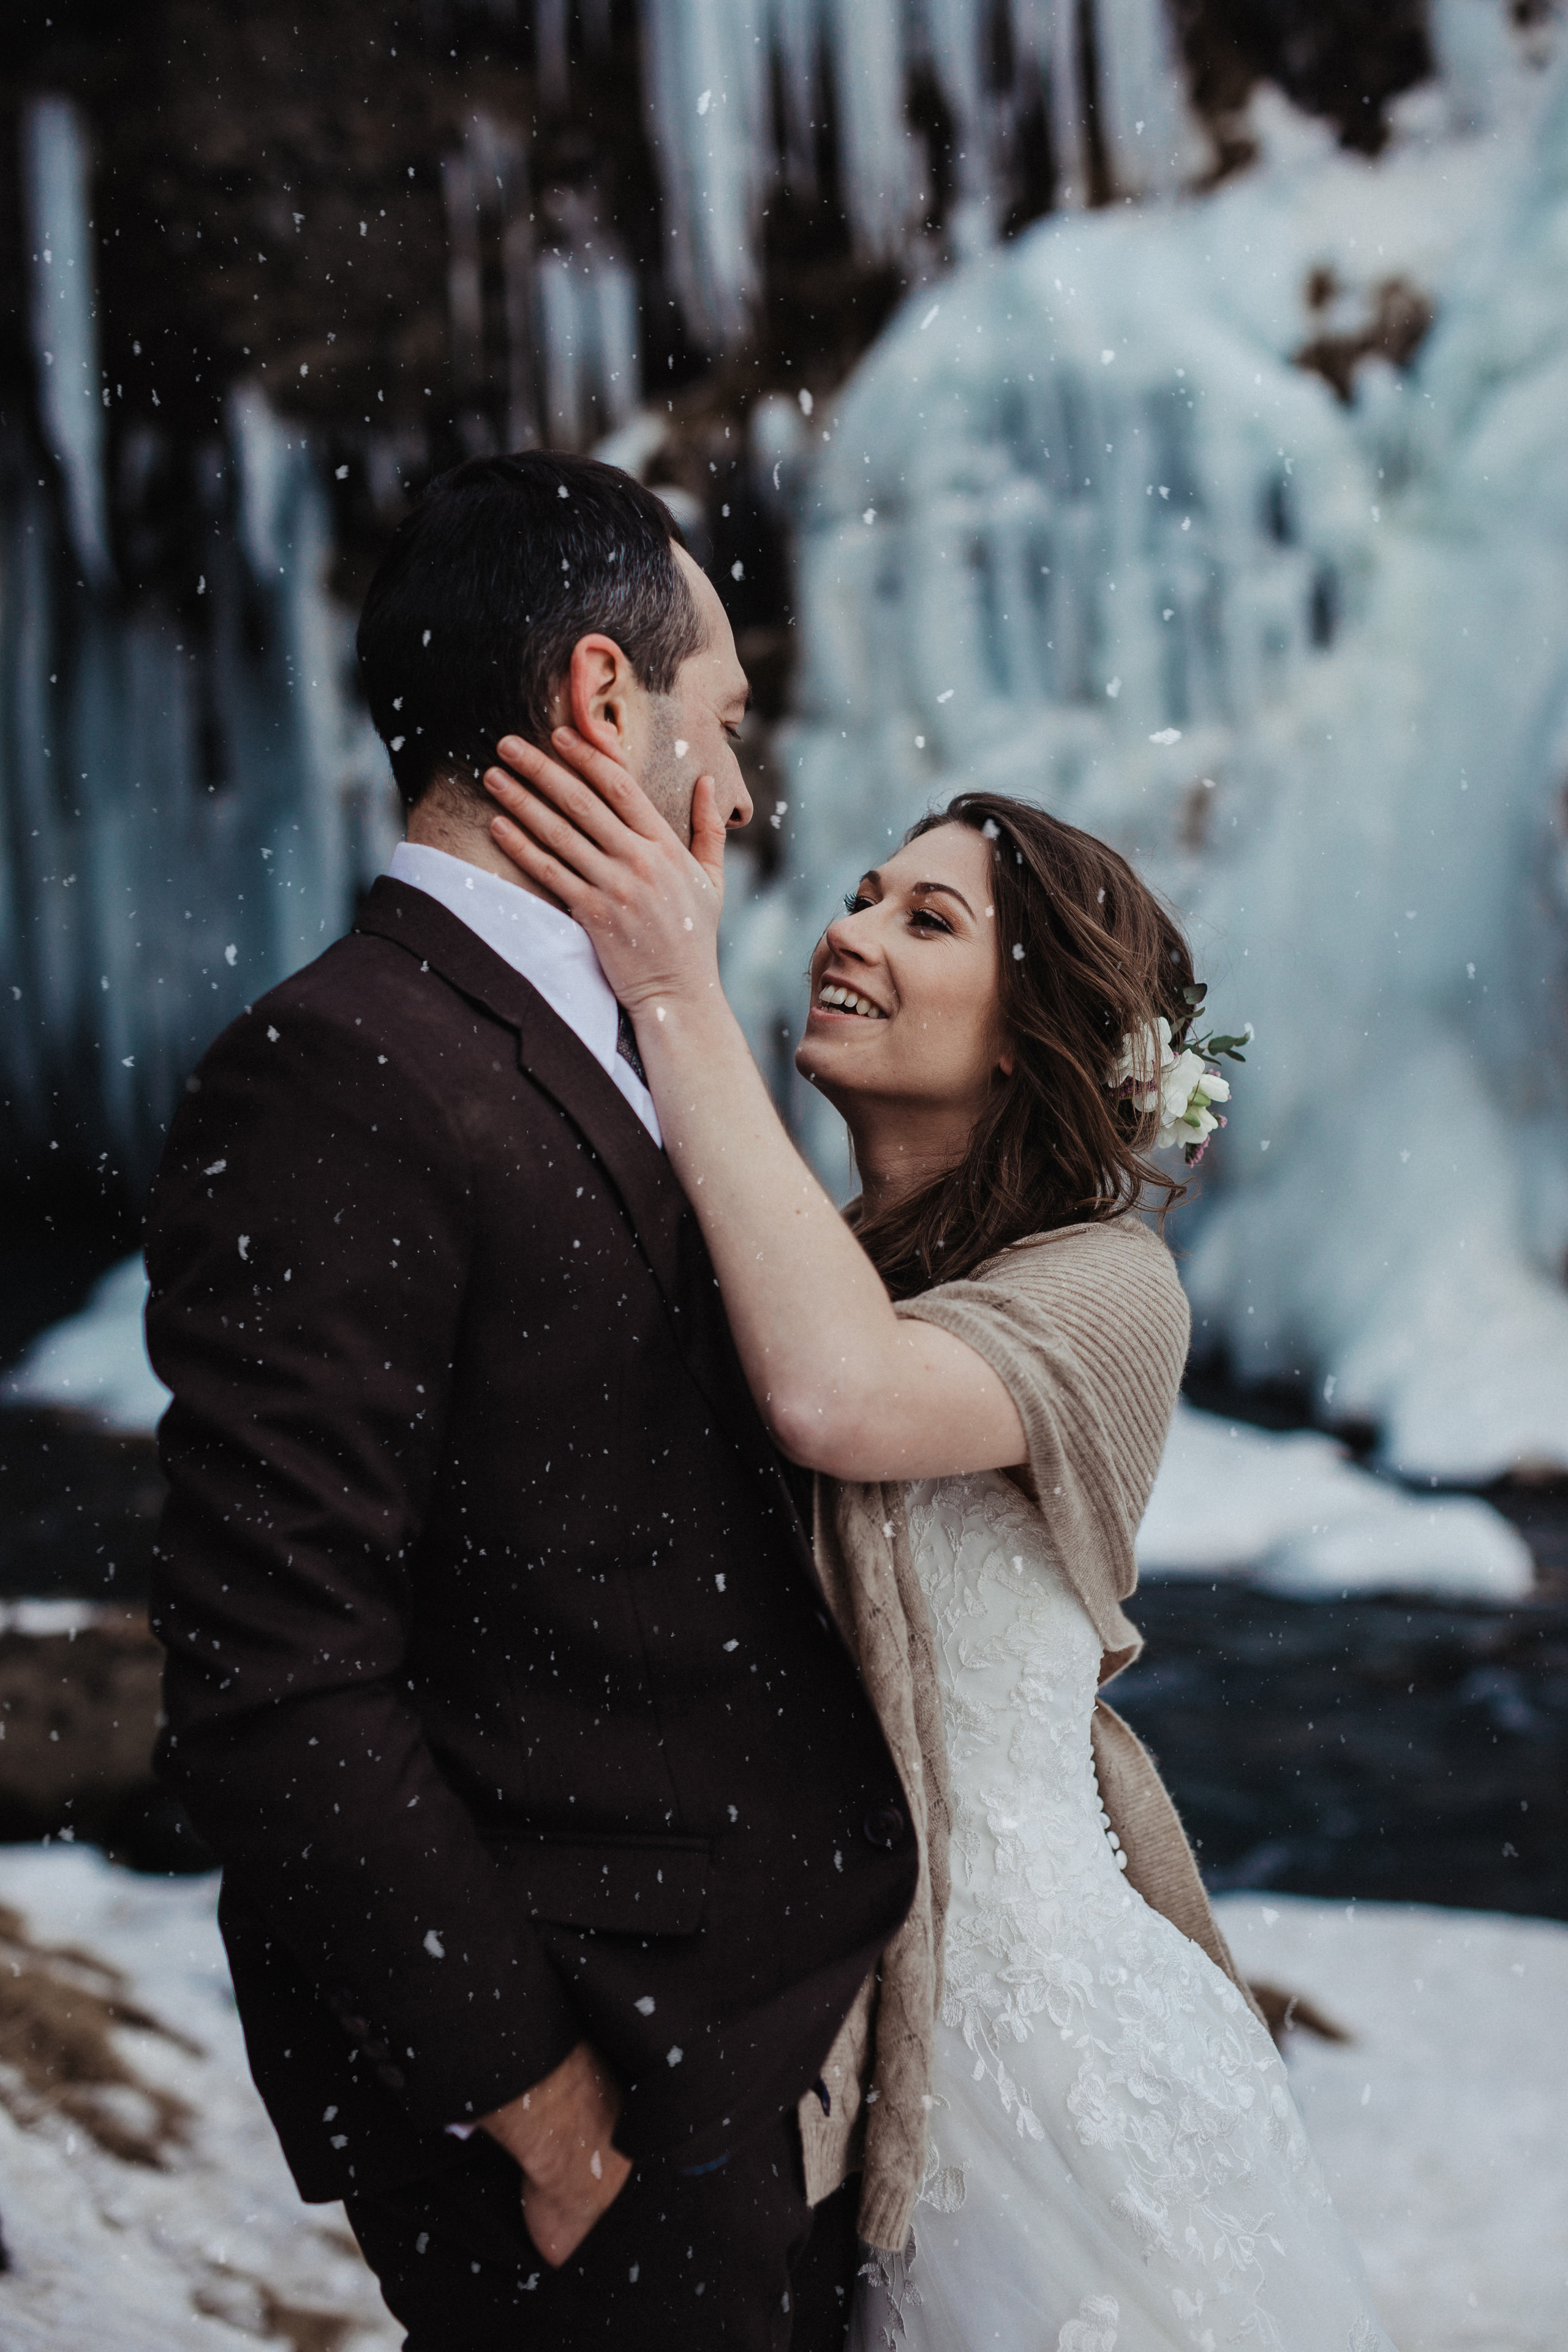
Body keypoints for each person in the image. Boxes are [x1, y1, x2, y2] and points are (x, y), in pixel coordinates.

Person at [478, 733, 1398, 2352]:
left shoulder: (1111, 1293)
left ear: (1033, 1035)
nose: (849, 932)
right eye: (856, 897)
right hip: (796, 2037)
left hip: (1041, 2058)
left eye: (927, 921)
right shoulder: (794, 1263)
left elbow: (845, 1398)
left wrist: (677, 992)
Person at [143, 453, 919, 2351]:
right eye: (719, 723)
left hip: (754, 2052)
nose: (740, 793)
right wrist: (550, 2120)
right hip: (605, 2105)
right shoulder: (337, 1071)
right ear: (596, 700)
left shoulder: (631, 1030)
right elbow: (273, 1677)